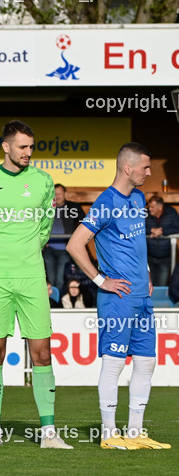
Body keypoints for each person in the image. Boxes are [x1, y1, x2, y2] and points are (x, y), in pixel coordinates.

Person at [0, 120, 71, 449]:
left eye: (31, 146)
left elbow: (44, 228)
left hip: (32, 275)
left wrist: (25, 254)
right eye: (23, 146)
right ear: (6, 147)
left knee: (42, 353)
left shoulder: (43, 181)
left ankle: (49, 433)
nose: (28, 152)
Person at [66, 143, 170, 451]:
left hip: (141, 296)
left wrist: (147, 272)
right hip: (118, 298)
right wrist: (101, 280)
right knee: (114, 363)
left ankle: (135, 432)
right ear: (128, 168)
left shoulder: (137, 198)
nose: (149, 172)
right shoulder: (106, 202)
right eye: (145, 167)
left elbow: (136, 243)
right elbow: (75, 244)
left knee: (146, 361)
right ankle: (109, 434)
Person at [43, 184, 84, 289]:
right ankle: (52, 299)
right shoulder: (46, 208)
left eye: (60, 194)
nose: (57, 196)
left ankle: (60, 299)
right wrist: (43, 240)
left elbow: (85, 223)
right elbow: (38, 225)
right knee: (50, 279)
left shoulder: (73, 207)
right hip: (49, 249)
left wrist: (76, 240)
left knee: (60, 279)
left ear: (65, 194)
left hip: (65, 249)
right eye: (55, 194)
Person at [145, 195, 179, 287]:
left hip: (165, 258)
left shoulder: (171, 212)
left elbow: (177, 228)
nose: (149, 209)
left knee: (161, 285)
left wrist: (162, 232)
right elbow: (138, 228)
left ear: (160, 207)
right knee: (148, 286)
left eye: (152, 207)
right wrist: (151, 230)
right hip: (149, 257)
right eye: (149, 206)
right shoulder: (146, 213)